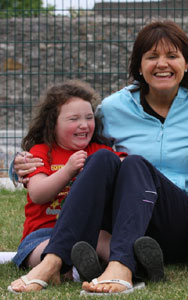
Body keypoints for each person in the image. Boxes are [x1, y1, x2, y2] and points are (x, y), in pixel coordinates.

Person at [8, 20, 188, 295]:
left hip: (178, 219)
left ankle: (122, 265)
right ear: (139, 65)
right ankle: (53, 260)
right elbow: (74, 145)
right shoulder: (112, 108)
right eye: (152, 56)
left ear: (187, 63)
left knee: (133, 163)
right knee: (104, 159)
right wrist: (20, 167)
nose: (162, 64)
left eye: (172, 56)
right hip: (122, 220)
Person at [10, 80, 126, 274]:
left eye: (89, 117)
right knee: (40, 250)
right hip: (44, 232)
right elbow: (38, 194)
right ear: (52, 124)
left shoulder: (100, 151)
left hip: (89, 230)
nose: (84, 125)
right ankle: (70, 266)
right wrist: (68, 170)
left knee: (104, 239)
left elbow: (123, 167)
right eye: (74, 119)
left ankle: (129, 259)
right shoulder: (40, 153)